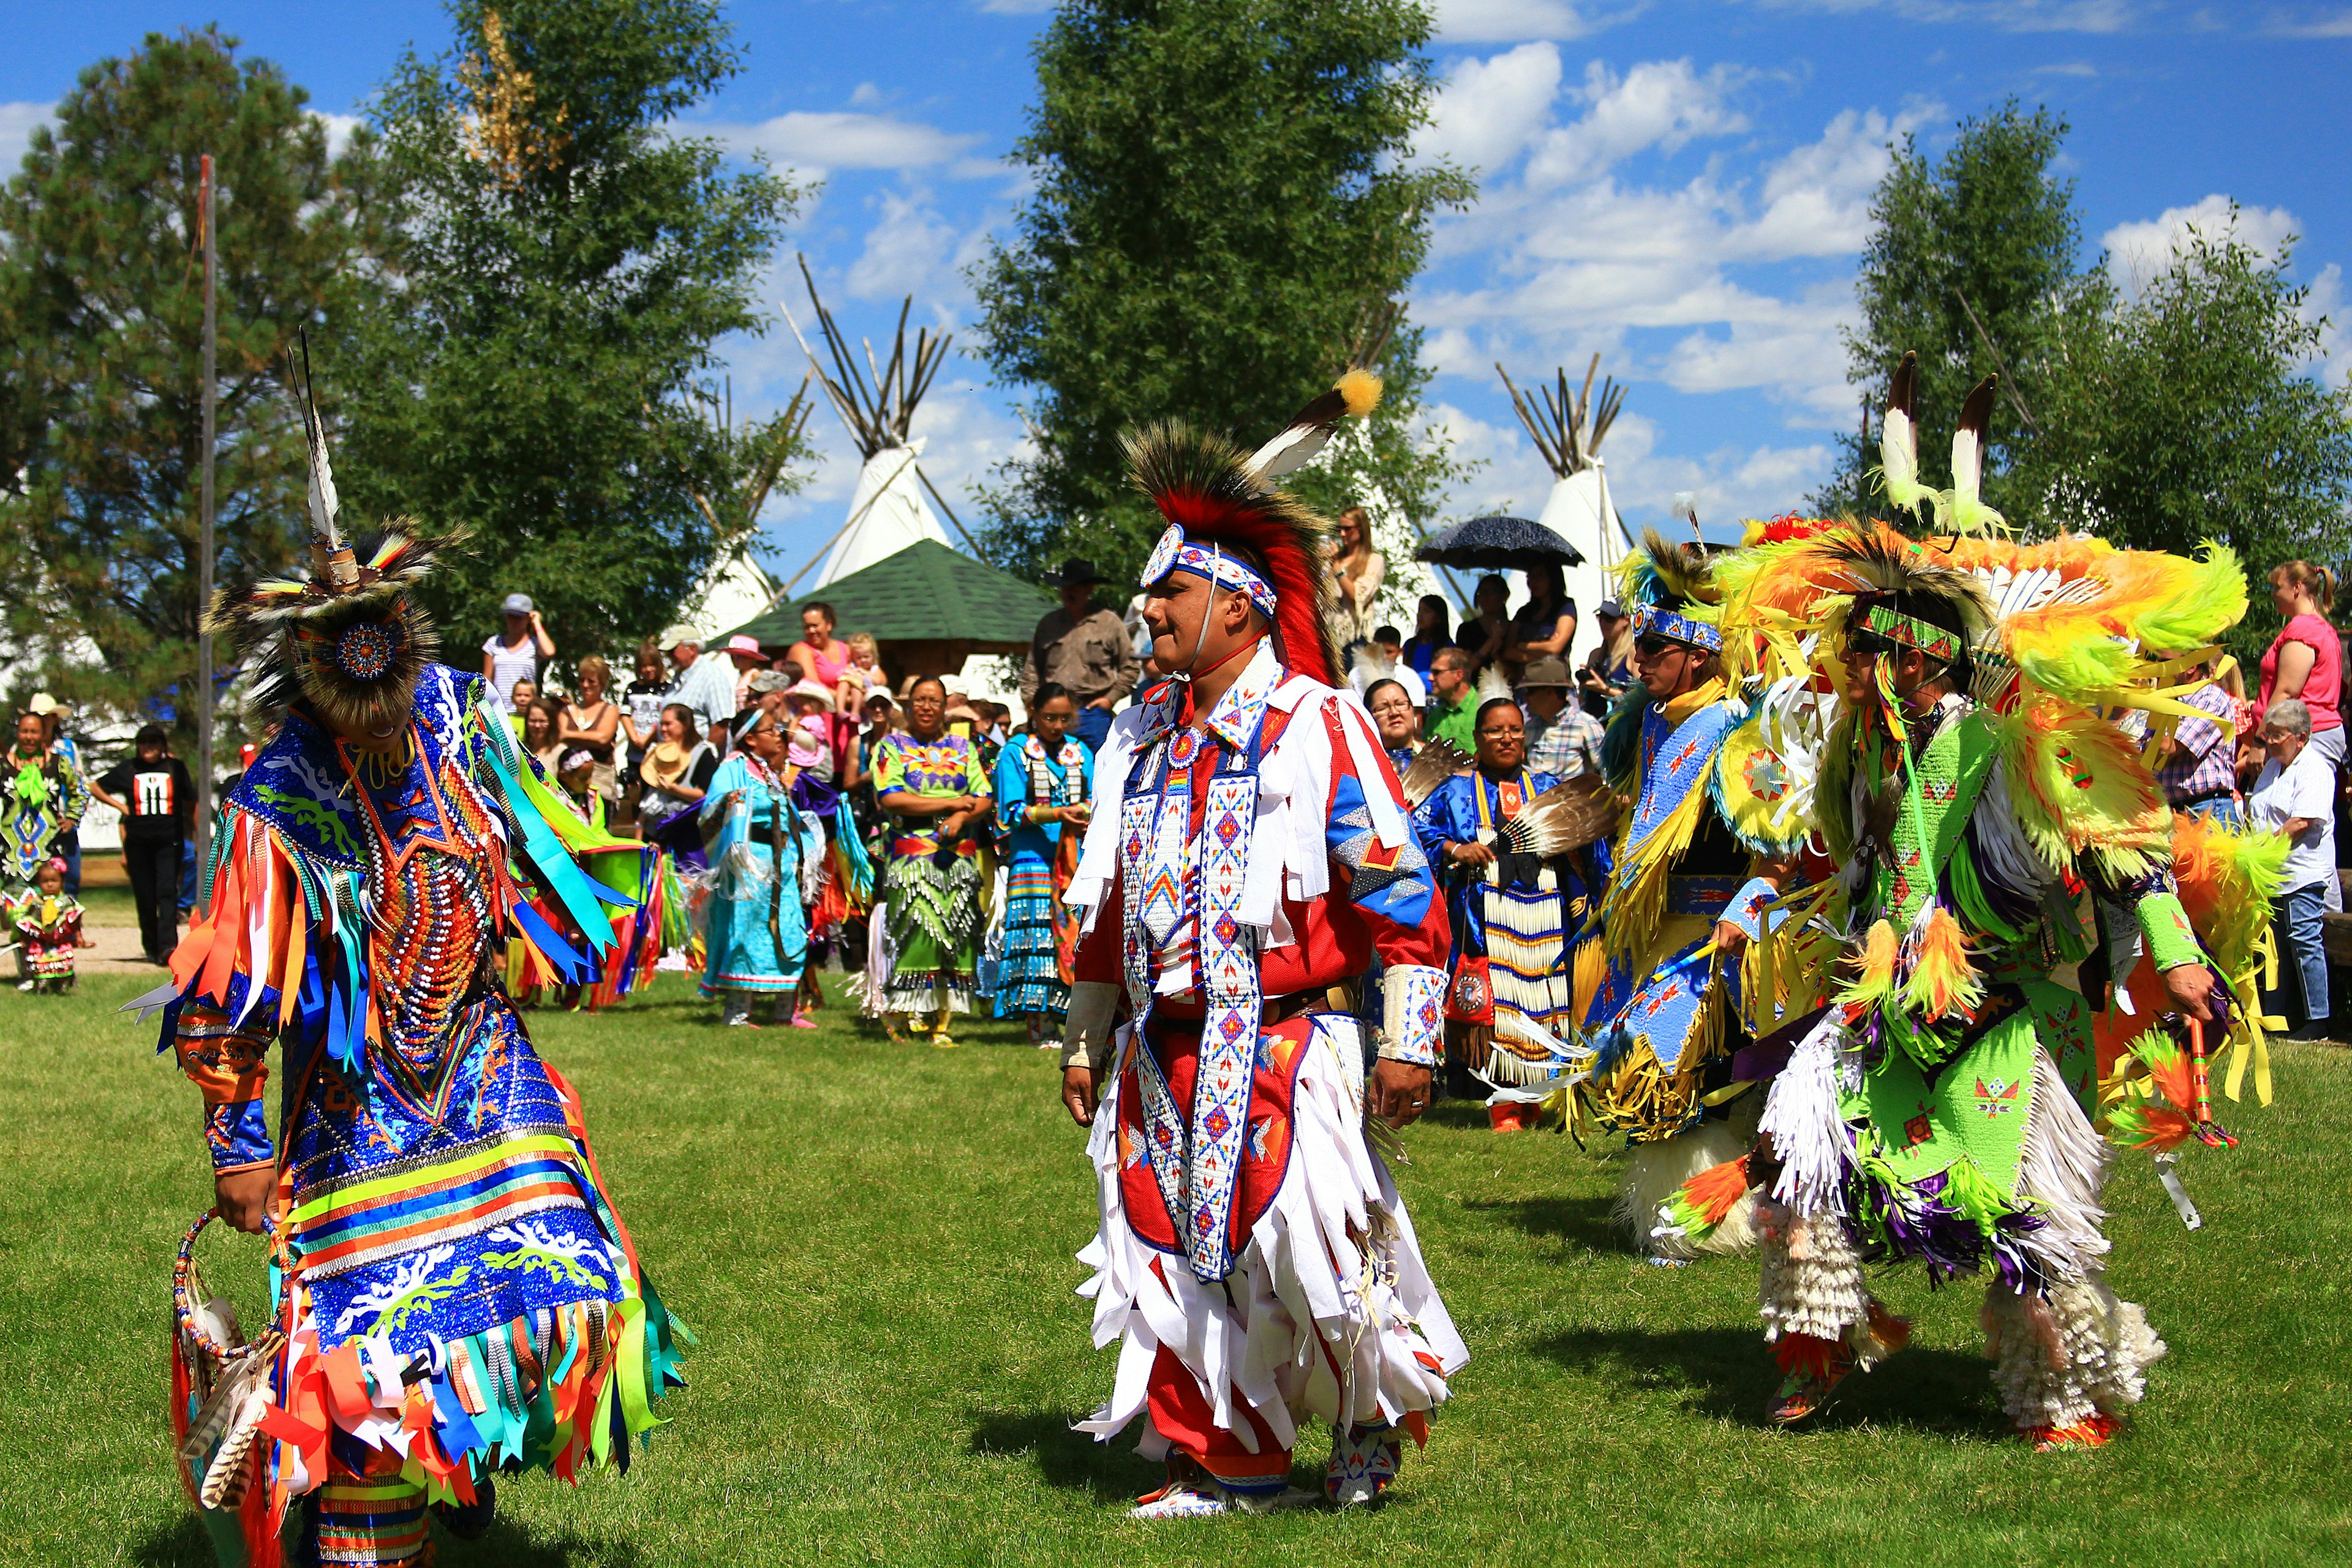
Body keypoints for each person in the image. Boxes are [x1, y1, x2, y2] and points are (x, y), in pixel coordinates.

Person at [150, 426, 679, 1563]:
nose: (384, 716)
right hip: (354, 1107)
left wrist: (593, 911)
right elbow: (224, 989)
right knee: (368, 1338)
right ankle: (373, 1528)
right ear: (308, 676)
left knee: (558, 1284)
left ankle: (459, 1455)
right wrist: (238, 1141)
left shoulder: (458, 714)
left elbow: (529, 838)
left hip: (487, 1069)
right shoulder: (277, 797)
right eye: (355, 694)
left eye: (392, 679)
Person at [1704, 496, 2256, 1447]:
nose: (1864, 672)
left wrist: (2176, 956)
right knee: (1799, 1161)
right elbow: (1868, 881)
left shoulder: (2012, 745)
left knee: (2020, 1216)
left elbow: (2125, 850)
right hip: (1888, 1009)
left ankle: (2064, 1393)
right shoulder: (1874, 760)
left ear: (1924, 659)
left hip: (2008, 1014)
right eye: (1864, 656)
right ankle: (1819, 1343)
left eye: (1881, 657)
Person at [1057, 377, 1462, 1517]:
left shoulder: (1314, 725)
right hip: (1161, 1052)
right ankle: (1224, 1458)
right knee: (1168, 1253)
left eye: (1170, 594)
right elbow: (1107, 900)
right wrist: (1088, 1038)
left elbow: (1396, 890)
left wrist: (1411, 1042)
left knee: (1319, 1254)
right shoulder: (1138, 740)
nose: (1150, 614)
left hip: (1290, 1047)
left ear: (1238, 607)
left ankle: (1367, 1425)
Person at [1574, 530, 1821, 1264]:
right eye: (1638, 646)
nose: (1638, 660)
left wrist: (1748, 912)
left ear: (1700, 655)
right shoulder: (1651, 723)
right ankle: (1695, 1210)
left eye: (1654, 647)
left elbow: (1778, 846)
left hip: (1716, 930)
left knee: (1671, 1065)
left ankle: (1701, 1216)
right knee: (1641, 1061)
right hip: (1653, 927)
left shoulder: (1736, 728)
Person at [1416, 698, 1582, 1128]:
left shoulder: (1546, 787)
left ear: (1525, 737)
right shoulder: (1454, 790)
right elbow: (1418, 830)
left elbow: (1581, 844)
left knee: (1541, 999)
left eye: (1513, 730)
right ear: (1477, 738)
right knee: (1501, 1005)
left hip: (1545, 914)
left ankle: (1532, 1098)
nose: (1505, 738)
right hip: (1483, 917)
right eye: (1494, 731)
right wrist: (1455, 848)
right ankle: (1504, 1101)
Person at [872, 676, 991, 1044]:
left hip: (958, 853)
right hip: (911, 850)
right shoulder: (890, 746)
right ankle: (906, 1014)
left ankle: (942, 1021)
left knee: (955, 935)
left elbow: (984, 795)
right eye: (920, 700)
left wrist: (960, 818)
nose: (927, 707)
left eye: (934, 701)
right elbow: (890, 799)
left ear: (944, 707)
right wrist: (952, 803)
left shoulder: (963, 746)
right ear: (908, 705)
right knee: (916, 928)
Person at [700, 707, 820, 1028]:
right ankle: (738, 1013)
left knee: (788, 924)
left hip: (781, 860)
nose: (779, 735)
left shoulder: (770, 772)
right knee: (747, 931)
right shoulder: (733, 767)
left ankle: (785, 1012)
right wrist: (732, 801)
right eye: (770, 730)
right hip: (748, 862)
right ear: (750, 739)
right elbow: (710, 812)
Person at [992, 682, 1093, 1050]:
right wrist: (1056, 813)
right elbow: (1009, 812)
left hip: (1075, 859)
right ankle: (1039, 1023)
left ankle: (1072, 1020)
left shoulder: (1080, 752)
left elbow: (1093, 799)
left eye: (1064, 718)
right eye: (1049, 717)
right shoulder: (1015, 753)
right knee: (1037, 939)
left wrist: (1081, 814)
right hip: (1032, 860)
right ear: (1033, 714)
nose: (1056, 724)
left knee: (1074, 936)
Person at [2249, 698, 2335, 1039]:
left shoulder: (2315, 767)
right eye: (2267, 734)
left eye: (2277, 735)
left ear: (2301, 737)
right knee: (2272, 947)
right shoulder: (2272, 768)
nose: (2269, 741)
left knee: (2303, 941)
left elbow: (2301, 821)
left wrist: (2264, 847)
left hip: (2302, 873)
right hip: (2270, 873)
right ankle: (2276, 1017)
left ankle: (2318, 1021)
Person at [90, 722, 196, 964]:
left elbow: (191, 800)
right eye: (143, 742)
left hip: (169, 841)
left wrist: (198, 834)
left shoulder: (175, 768)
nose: (148, 747)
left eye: (154, 742)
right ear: (138, 747)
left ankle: (168, 947)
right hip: (138, 842)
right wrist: (120, 806)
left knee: (168, 892)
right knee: (145, 895)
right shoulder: (129, 769)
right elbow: (96, 787)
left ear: (163, 745)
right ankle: (151, 945)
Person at [1021, 560, 1140, 754]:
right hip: (1052, 713)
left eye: (1075, 587)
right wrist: (1032, 705)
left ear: (1089, 589)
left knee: (1098, 772)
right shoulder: (1049, 624)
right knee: (1049, 769)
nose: (1069, 593)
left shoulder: (1109, 622)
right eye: (1065, 588)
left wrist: (1110, 698)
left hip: (1093, 713)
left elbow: (1131, 666)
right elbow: (1032, 670)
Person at [2259, 561, 2343, 771]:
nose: (2273, 594)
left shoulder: (2303, 629)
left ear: (2297, 588)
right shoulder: (2322, 628)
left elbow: (2287, 692)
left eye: (2278, 587)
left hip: (2304, 739)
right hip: (2310, 736)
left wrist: (2261, 741)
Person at [2151, 655, 2245, 826]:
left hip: (2208, 812)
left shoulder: (2211, 698)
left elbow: (2167, 748)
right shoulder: (2164, 704)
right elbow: (2143, 749)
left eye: (2165, 662)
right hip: (2172, 812)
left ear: (2191, 667)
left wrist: (2138, 752)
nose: (2157, 668)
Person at [2, 709, 87, 891]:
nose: (29, 737)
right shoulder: (4, 766)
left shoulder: (58, 763)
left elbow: (81, 790)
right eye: (24, 732)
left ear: (43, 734)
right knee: (13, 910)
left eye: (34, 732)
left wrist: (72, 819)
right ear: (18, 734)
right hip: (11, 852)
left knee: (49, 908)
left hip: (48, 849)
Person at [639, 702, 722, 872]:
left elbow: (706, 794)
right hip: (656, 835)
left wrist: (674, 790)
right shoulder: (659, 753)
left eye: (669, 724)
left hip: (689, 839)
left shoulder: (702, 753)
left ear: (684, 726)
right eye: (662, 724)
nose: (663, 729)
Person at [1520, 655, 1605, 780]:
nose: (1526, 698)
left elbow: (1607, 772)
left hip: (1573, 798)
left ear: (1550, 692)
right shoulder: (1530, 727)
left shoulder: (1586, 725)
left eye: (1530, 691)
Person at [14, 856, 91, 992]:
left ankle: (62, 983)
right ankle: (41, 985)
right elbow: (27, 924)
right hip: (41, 944)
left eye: (54, 881)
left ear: (62, 882)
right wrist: (24, 940)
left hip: (60, 943)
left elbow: (75, 922)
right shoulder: (36, 905)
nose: (50, 885)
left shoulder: (66, 903)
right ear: (39, 884)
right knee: (41, 964)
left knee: (63, 963)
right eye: (45, 881)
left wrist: (79, 937)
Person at [659, 624, 740, 747]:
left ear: (692, 649)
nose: (669, 656)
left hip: (696, 761)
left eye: (672, 651)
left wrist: (703, 759)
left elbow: (721, 725)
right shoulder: (679, 678)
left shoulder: (712, 678)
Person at [1502, 561, 1576, 688]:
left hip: (1555, 682)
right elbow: (1508, 651)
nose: (1533, 582)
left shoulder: (1566, 607)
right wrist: (1540, 656)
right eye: (1530, 577)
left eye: (1540, 577)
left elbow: (1555, 648)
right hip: (1526, 683)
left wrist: (1521, 645)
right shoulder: (1524, 612)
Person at [560, 654, 622, 803]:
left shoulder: (610, 710)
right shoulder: (568, 710)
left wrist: (569, 735)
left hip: (600, 780)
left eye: (591, 681)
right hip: (569, 785)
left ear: (602, 683)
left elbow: (603, 738)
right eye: (582, 680)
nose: (585, 685)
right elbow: (559, 736)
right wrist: (591, 738)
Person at [1325, 505, 1385, 658]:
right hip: (1327, 636)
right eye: (1339, 529)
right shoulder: (1334, 559)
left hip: (1353, 638)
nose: (1342, 534)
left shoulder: (1374, 560)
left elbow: (1356, 596)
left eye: (1348, 529)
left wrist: (1336, 567)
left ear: (1361, 529)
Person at [481, 591, 554, 715]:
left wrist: (537, 623)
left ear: (527, 618)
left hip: (526, 712)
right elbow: (487, 679)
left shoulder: (535, 644)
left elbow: (549, 652)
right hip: (499, 711)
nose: (514, 621)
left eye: (518, 618)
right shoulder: (494, 643)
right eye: (510, 616)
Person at [1579, 598, 1634, 715]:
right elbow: (1582, 701)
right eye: (1601, 617)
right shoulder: (1596, 655)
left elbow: (1641, 700)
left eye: (1609, 618)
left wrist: (1606, 690)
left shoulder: (1633, 654)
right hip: (1596, 726)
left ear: (1626, 620)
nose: (1603, 623)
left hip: (1622, 727)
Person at [1423, 647, 1477, 752]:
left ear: (1458, 675)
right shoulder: (1434, 717)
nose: (1430, 678)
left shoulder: (1484, 710)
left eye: (1437, 672)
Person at [1363, 676, 1422, 769]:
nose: (1394, 713)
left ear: (1412, 708)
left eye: (1400, 704)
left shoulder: (1438, 761)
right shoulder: (1365, 767)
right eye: (1382, 708)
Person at [1459, 573, 1511, 676]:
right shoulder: (1467, 630)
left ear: (1504, 596)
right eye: (1482, 593)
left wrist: (1497, 654)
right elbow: (1465, 669)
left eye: (1492, 592)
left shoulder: (1514, 629)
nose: (1486, 597)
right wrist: (1490, 642)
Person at [1401, 594, 1453, 677]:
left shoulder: (1447, 647)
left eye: (1427, 611)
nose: (1420, 615)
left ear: (1438, 618)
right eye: (1420, 610)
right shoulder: (1410, 644)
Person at [521, 695, 565, 772]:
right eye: (533, 721)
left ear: (551, 722)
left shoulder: (561, 752)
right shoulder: (520, 751)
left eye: (542, 721)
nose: (537, 726)